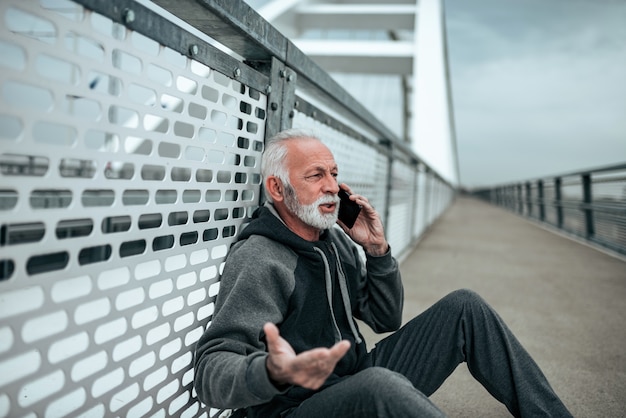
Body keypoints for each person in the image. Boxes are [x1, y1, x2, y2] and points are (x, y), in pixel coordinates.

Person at [193, 129, 572, 417]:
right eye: (315, 176)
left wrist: (377, 253)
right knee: (378, 384)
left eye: (333, 174)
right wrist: (273, 372)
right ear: (277, 187)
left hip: (351, 377)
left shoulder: (334, 239)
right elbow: (212, 368)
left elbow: (384, 318)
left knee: (465, 307)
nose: (331, 188)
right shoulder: (262, 257)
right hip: (293, 408)